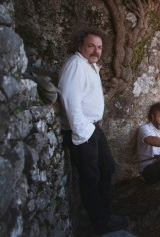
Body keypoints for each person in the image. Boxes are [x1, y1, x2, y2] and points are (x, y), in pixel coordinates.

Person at [59, 27, 128, 234]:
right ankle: (100, 224)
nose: (96, 51)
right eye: (91, 46)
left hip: (92, 129)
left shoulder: (89, 66)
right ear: (80, 44)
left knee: (107, 168)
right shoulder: (75, 65)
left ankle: (106, 215)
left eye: (99, 47)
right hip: (81, 131)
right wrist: (82, 134)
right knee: (91, 178)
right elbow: (70, 101)